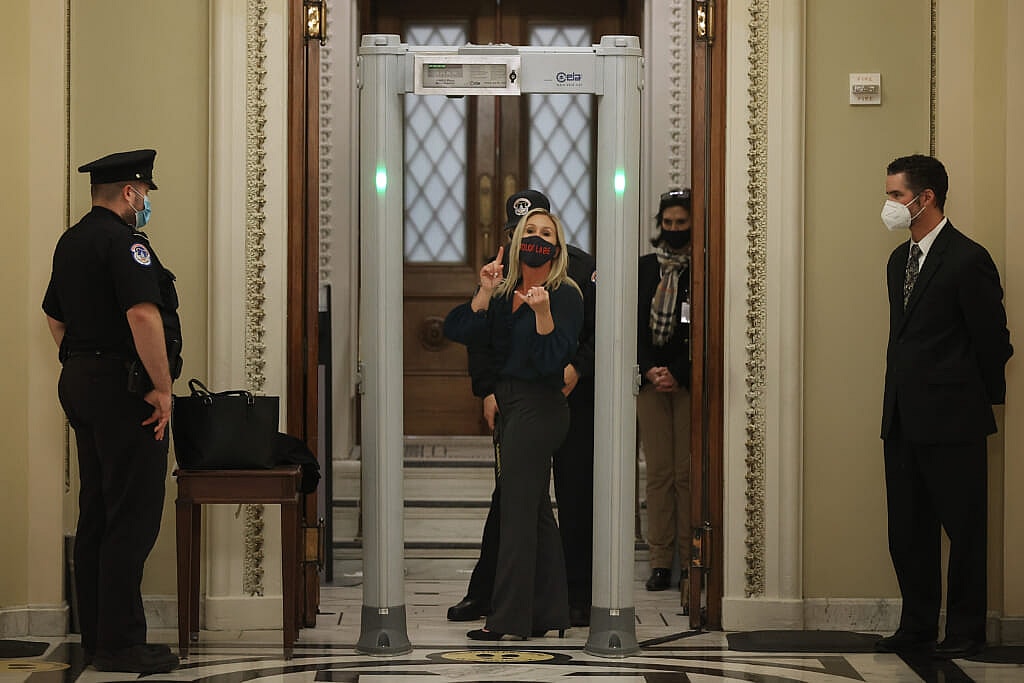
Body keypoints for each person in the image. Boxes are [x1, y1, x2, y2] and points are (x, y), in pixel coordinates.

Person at [42, 149, 183, 674]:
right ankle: (123, 645)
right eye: (143, 194)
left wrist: (84, 360)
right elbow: (143, 314)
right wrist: (161, 388)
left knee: (98, 509)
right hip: (127, 392)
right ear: (129, 192)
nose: (145, 203)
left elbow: (54, 317)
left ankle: (101, 637)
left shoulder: (72, 241)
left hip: (80, 382)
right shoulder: (128, 245)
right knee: (133, 515)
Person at [874, 154, 1012, 659]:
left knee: (964, 530)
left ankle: (965, 631)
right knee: (907, 530)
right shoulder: (897, 262)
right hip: (903, 420)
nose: (888, 204)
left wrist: (974, 402)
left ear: (923, 197)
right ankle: (916, 627)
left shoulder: (967, 257)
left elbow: (994, 342)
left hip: (954, 421)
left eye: (894, 194)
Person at [446, 190, 597, 627]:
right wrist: (487, 390)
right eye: (523, 231)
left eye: (541, 230)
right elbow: (475, 335)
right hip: (512, 400)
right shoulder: (502, 278)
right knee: (523, 506)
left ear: (557, 238)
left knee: (562, 497)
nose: (531, 238)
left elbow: (589, 333)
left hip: (555, 400)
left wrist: (573, 367)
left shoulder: (572, 280)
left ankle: (555, 602)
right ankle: (531, 603)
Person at [636, 189, 693, 596]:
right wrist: (651, 370)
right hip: (650, 382)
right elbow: (634, 322)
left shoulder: (703, 267)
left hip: (689, 382)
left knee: (687, 474)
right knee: (657, 474)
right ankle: (659, 561)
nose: (674, 230)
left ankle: (692, 560)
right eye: (668, 223)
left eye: (681, 223)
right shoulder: (644, 269)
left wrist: (678, 371)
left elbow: (702, 330)